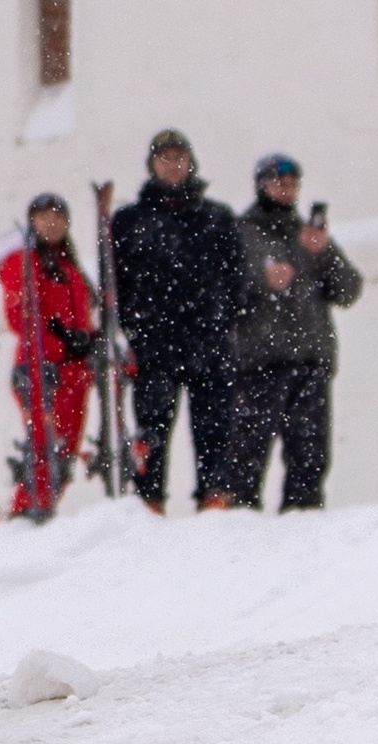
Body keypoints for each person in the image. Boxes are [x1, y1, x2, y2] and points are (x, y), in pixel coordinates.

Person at [111, 130, 249, 512]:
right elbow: (117, 283)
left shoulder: (216, 218)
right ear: (152, 165)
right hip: (155, 347)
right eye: (165, 158)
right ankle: (149, 503)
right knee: (151, 431)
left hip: (209, 343)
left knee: (214, 429)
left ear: (190, 163)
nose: (173, 165)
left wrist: (221, 322)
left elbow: (236, 277)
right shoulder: (129, 221)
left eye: (179, 157)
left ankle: (214, 499)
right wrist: (136, 327)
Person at [230, 155, 361, 510]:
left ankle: (304, 534)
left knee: (310, 461)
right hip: (260, 365)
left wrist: (325, 253)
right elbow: (223, 294)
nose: (286, 191)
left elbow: (349, 290)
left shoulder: (309, 235)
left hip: (310, 363)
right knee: (246, 464)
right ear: (262, 186)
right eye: (279, 183)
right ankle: (238, 536)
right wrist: (260, 281)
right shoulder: (241, 234)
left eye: (292, 185)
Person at [0, 193, 98, 518]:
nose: (51, 223)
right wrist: (59, 337)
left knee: (64, 449)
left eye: (57, 216)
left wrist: (85, 339)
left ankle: (46, 506)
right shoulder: (23, 262)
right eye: (43, 216)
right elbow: (19, 316)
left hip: (74, 371)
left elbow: (83, 314)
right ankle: (27, 508)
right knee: (43, 443)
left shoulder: (70, 267)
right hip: (41, 367)